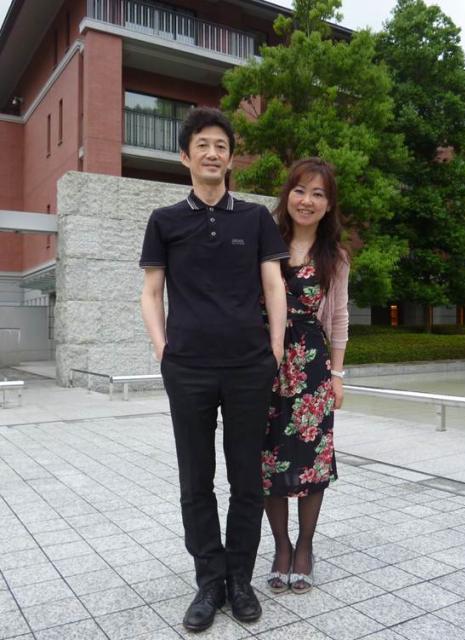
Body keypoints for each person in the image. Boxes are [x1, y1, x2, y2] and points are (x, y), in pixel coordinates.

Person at [139, 107, 288, 631]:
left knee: (247, 478)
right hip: (189, 368)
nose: (212, 153)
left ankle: (240, 579)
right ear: (185, 156)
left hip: (249, 366)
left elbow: (274, 284)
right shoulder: (164, 221)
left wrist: (274, 349)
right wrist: (163, 349)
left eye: (221, 146)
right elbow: (151, 291)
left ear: (230, 159)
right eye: (202, 144)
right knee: (195, 479)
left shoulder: (255, 218)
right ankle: (209, 580)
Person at [262, 158, 350, 594]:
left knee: (312, 457)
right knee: (268, 458)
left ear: (328, 204)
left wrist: (337, 373)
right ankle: (281, 546)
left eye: (318, 194)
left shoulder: (335, 257)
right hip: (267, 363)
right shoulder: (266, 243)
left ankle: (305, 547)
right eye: (300, 190)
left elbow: (339, 317)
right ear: (288, 195)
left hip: (312, 365)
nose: (307, 200)